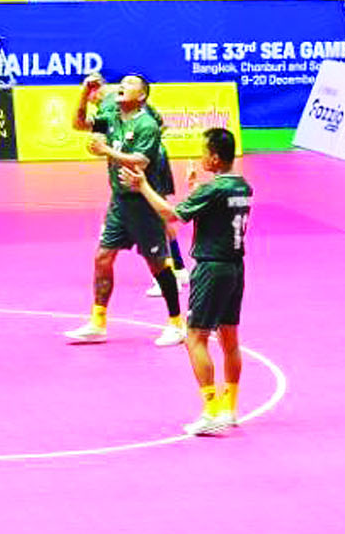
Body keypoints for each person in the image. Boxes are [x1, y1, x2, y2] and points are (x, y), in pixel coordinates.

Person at [122, 126, 251, 434]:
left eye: (204, 151)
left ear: (215, 158)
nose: (200, 155)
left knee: (195, 337)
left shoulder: (213, 190)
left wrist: (143, 186)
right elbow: (214, 212)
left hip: (211, 268)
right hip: (235, 268)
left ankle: (210, 412)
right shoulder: (243, 186)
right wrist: (195, 188)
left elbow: (171, 215)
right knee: (230, 340)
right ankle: (229, 409)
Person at [64, 73, 188, 348]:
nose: (122, 85)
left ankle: (176, 324)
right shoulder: (111, 116)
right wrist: (83, 93)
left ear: (141, 96)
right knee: (103, 257)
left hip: (144, 204)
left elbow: (139, 161)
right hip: (119, 202)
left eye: (130, 83)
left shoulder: (146, 125)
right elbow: (78, 123)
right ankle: (98, 323)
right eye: (122, 82)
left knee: (157, 266)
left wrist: (106, 150)